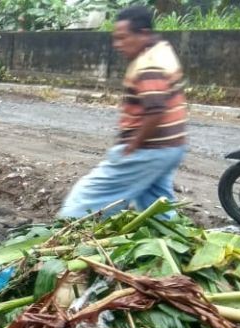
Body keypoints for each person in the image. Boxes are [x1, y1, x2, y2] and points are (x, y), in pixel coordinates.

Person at [59, 5, 188, 218]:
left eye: (122, 38)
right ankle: (173, 240)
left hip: (148, 149)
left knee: (88, 198)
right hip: (171, 147)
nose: (117, 45)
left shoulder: (149, 65)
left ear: (143, 34)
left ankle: (62, 234)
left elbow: (156, 110)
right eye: (115, 38)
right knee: (156, 207)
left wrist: (132, 146)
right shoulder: (162, 49)